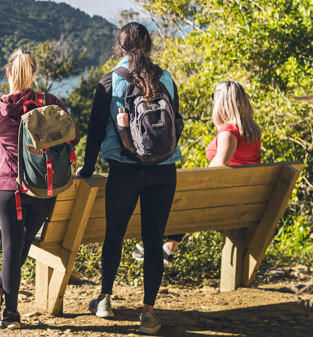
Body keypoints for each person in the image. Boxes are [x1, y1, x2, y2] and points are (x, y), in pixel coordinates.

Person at [76, 22, 184, 336]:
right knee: (153, 241)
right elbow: (176, 123)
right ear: (149, 45)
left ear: (120, 46)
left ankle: (106, 300)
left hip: (123, 169)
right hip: (164, 171)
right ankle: (148, 313)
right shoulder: (166, 78)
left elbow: (95, 132)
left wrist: (87, 167)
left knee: (114, 235)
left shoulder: (110, 81)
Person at [0, 48, 79, 329]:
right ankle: (1, 293)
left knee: (12, 246)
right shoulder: (51, 103)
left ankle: (8, 309)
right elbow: (72, 137)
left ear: (9, 73)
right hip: (42, 187)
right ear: (34, 74)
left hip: (8, 187)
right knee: (23, 243)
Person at [134, 80, 262, 265]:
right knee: (190, 200)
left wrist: (198, 185)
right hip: (242, 201)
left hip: (222, 202)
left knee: (187, 196)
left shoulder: (229, 131)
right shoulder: (252, 132)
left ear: (223, 102)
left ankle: (160, 243)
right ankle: (165, 247)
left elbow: (219, 166)